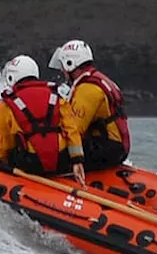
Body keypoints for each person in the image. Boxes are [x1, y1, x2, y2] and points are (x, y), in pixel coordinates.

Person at [0, 55, 86, 185]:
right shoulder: (56, 96)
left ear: (11, 77)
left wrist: (0, 160)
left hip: (30, 163)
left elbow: (4, 141)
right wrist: (77, 161)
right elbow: (72, 130)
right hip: (61, 161)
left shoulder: (8, 104)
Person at [48, 39, 130, 171]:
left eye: (63, 66)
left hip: (106, 148)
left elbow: (74, 129)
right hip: (114, 146)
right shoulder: (98, 80)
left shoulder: (87, 89)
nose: (62, 71)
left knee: (50, 155)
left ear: (70, 63)